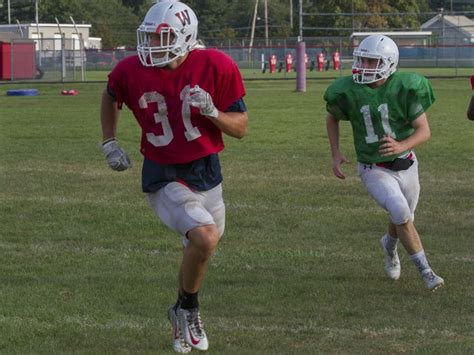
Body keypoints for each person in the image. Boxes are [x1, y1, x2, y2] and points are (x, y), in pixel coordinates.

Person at [100, 1, 248, 352]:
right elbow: (110, 97)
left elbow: (241, 128)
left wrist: (212, 111)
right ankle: (191, 309)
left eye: (161, 37)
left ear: (185, 37)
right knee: (205, 237)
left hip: (207, 170)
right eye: (149, 37)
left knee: (199, 249)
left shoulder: (216, 64)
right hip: (163, 172)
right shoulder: (129, 70)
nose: (152, 46)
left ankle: (179, 308)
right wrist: (109, 142)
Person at [324, 34, 444, 292]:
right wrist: (336, 152)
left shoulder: (405, 88)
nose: (364, 67)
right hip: (374, 167)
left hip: (406, 163)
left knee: (404, 216)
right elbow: (331, 117)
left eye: (371, 61)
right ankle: (427, 272)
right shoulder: (349, 90)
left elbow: (424, 131)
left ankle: (389, 245)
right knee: (400, 211)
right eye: (362, 60)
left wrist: (401, 145)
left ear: (389, 64)